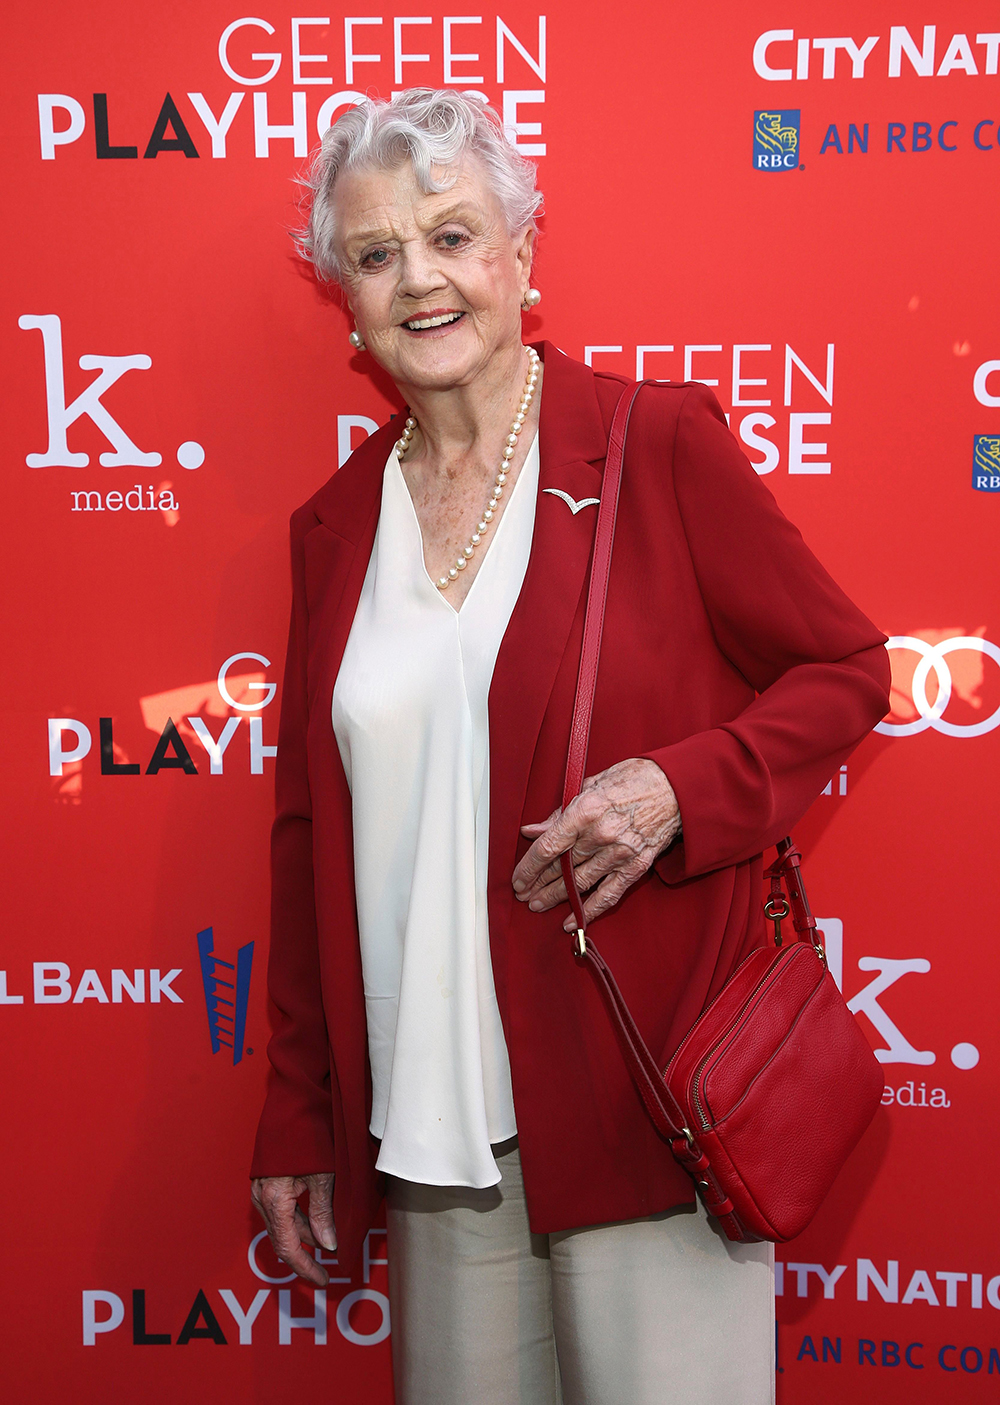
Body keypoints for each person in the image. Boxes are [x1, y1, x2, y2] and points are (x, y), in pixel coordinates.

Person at [250, 88, 890, 1404]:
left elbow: (847, 668)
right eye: (376, 253)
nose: (419, 278)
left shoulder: (656, 446)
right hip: (432, 1137)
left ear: (524, 257)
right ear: (342, 295)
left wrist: (674, 787)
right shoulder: (331, 530)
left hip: (642, 1107)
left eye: (454, 235)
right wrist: (301, 1108)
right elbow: (309, 839)